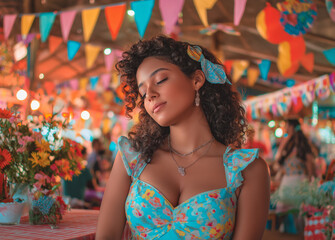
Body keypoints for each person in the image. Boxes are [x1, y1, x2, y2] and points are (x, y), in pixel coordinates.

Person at [96, 36, 270, 239]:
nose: (150, 95)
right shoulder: (133, 157)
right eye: (143, 93)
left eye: (160, 80)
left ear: (196, 80)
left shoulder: (246, 170)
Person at [273, 119, 317, 233]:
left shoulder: (295, 143)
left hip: (294, 181)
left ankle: (290, 233)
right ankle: (294, 233)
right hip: (296, 180)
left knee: (293, 211)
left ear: (292, 127)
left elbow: (308, 162)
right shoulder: (293, 142)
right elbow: (309, 164)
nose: (285, 128)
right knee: (296, 212)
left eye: (287, 126)